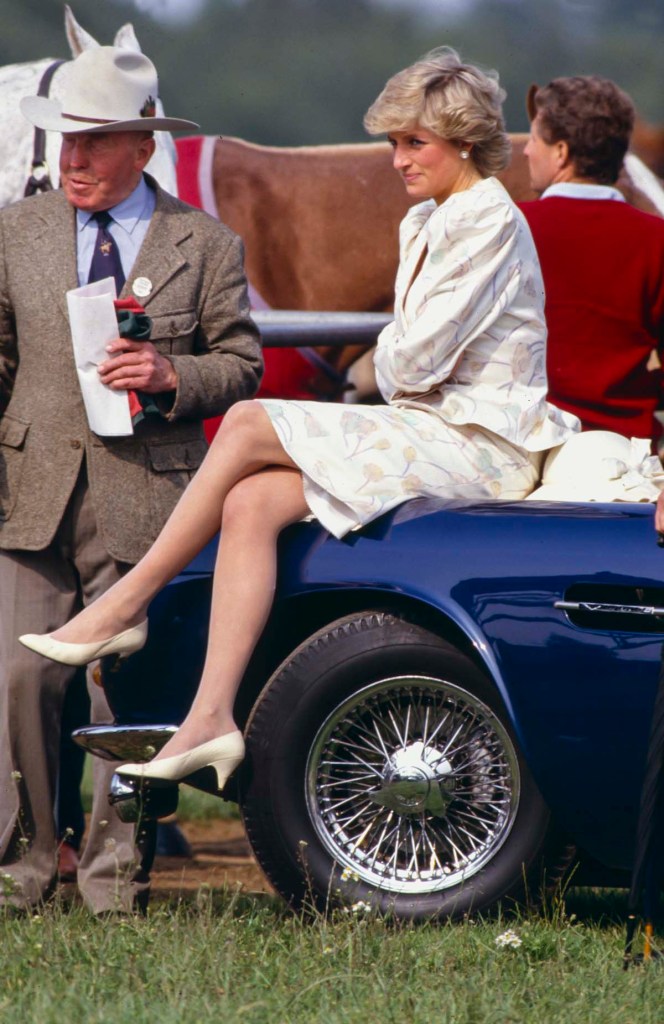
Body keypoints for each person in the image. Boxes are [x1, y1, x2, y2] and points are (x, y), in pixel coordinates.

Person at [19, 47, 578, 797]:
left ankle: (127, 602)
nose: (396, 161)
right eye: (393, 143)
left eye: (415, 144)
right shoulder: (428, 220)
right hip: (432, 428)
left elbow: (407, 368)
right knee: (251, 501)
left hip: (484, 444)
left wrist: (391, 354)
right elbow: (402, 362)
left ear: (467, 143)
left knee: (248, 422)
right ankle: (211, 716)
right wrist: (391, 353)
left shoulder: (489, 221)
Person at [0, 46, 263, 913]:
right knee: (20, 679)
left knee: (125, 690)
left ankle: (117, 882)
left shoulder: (207, 242)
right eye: (64, 142)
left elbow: (242, 363)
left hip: (149, 498)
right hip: (29, 494)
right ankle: (29, 868)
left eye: (94, 141)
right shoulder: (17, 230)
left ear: (142, 148)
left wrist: (170, 377)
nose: (70, 160)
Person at [520, 76, 664, 446]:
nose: (524, 151)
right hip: (620, 450)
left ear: (561, 153)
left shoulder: (504, 227)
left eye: (533, 139)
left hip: (518, 445)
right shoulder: (656, 239)